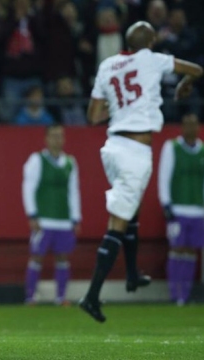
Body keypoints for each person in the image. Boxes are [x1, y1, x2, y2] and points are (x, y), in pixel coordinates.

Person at [79, 21, 203, 323]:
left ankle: (133, 274)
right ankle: (92, 296)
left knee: (129, 211)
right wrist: (185, 84)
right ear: (150, 41)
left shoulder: (108, 65)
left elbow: (93, 116)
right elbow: (196, 69)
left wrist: (123, 106)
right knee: (117, 224)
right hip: (135, 151)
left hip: (112, 148)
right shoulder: (152, 59)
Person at [22, 124, 81, 306]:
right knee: (37, 256)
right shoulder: (37, 160)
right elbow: (28, 187)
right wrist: (32, 214)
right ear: (46, 139)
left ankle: (60, 297)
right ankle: (30, 297)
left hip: (64, 220)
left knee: (63, 257)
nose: (58, 140)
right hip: (44, 219)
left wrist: (76, 218)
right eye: (54, 136)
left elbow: (74, 191)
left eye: (60, 136)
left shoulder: (70, 162)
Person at [158, 113, 204, 306]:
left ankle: (185, 294)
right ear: (182, 127)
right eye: (187, 124)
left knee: (192, 252)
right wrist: (166, 203)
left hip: (198, 210)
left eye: (194, 125)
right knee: (177, 249)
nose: (190, 128)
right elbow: (164, 175)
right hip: (177, 208)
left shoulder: (202, 150)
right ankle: (174, 293)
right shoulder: (172, 147)